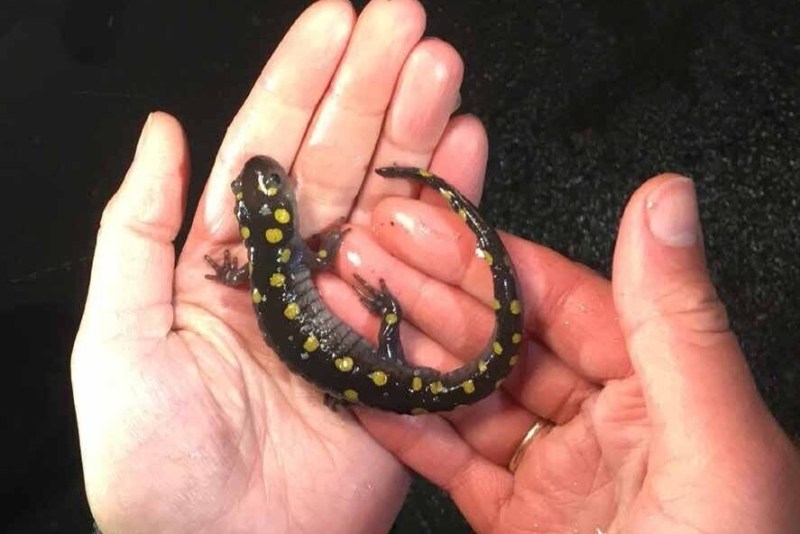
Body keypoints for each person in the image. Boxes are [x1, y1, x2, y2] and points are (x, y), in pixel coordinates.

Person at [70, 0, 800, 532]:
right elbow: (314, 257)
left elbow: (278, 269)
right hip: (375, 379)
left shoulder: (264, 262)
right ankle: (368, 353)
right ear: (281, 214)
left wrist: (271, 281)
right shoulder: (285, 254)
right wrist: (379, 309)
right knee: (372, 368)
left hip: (373, 382)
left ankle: (358, 369)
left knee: (366, 373)